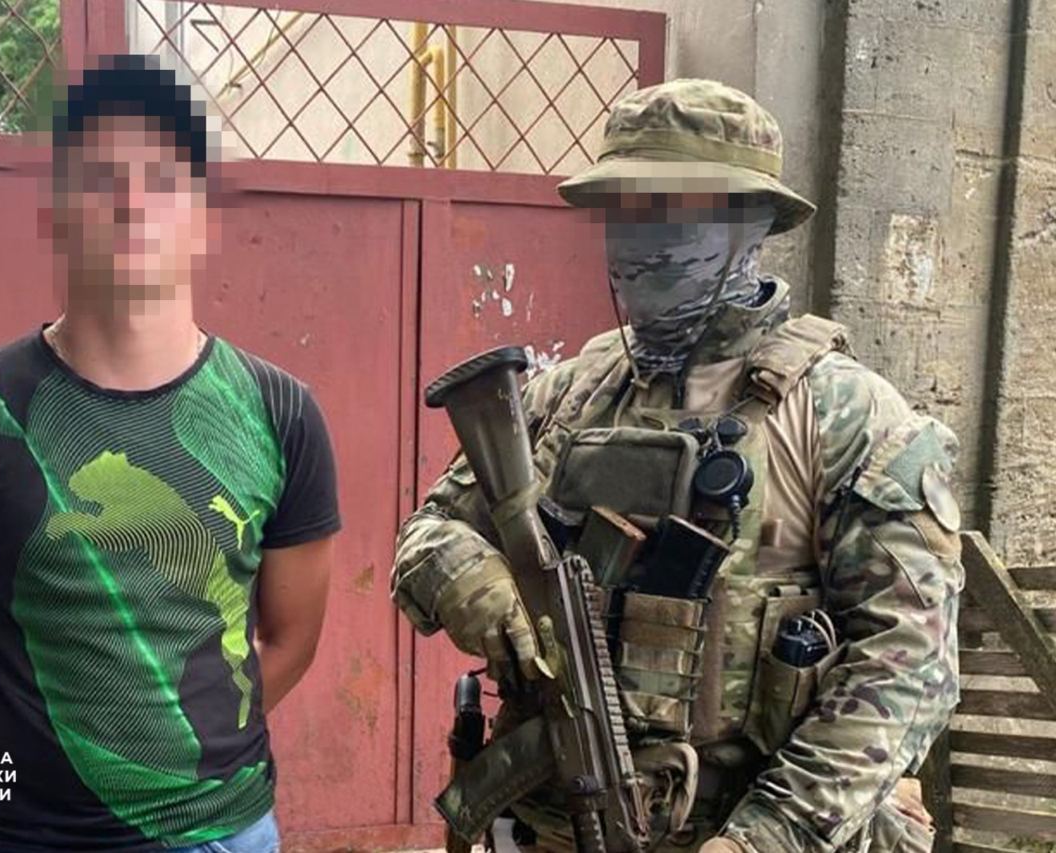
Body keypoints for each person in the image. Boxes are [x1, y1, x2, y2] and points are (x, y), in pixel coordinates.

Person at [391, 79, 962, 853]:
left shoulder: (843, 414)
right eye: (622, 211)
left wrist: (762, 839)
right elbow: (429, 531)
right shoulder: (572, 391)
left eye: (673, 211)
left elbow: (906, 667)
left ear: (751, 221)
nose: (639, 241)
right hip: (551, 827)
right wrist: (475, 583)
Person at [0, 54, 339, 853]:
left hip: (223, 832)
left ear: (202, 216)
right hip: (27, 835)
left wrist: (171, 759)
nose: (132, 204)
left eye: (162, 179)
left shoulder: (280, 414)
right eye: (101, 178)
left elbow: (291, 639)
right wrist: (73, 758)